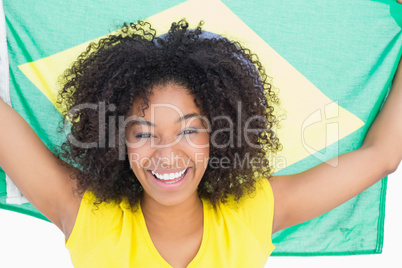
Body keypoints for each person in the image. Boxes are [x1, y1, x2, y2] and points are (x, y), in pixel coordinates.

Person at [0, 19, 401, 268]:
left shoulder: (253, 213)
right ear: (116, 140)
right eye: (143, 133)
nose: (167, 153)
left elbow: (382, 156)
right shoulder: (87, 215)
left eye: (190, 130)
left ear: (219, 135)